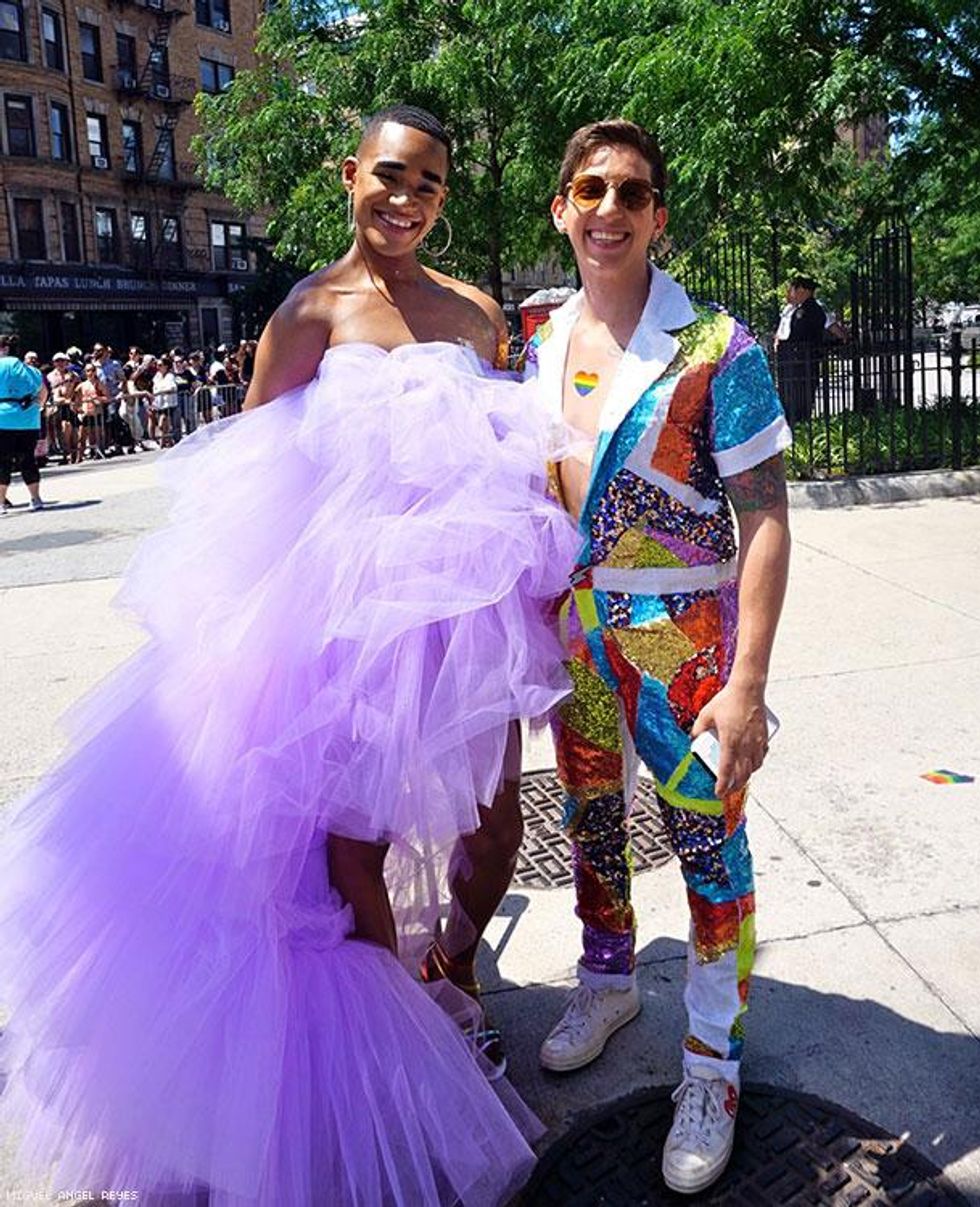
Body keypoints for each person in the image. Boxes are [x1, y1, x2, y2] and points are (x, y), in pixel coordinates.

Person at [0, 105, 577, 1205]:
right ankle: (384, 1057)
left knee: (493, 823)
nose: (407, 201)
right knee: (352, 859)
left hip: (459, 632)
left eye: (430, 186)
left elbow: (503, 474)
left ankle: (446, 985)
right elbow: (246, 487)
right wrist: (234, 640)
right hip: (340, 638)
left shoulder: (475, 314)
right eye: (391, 177)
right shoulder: (309, 311)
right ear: (350, 174)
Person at [526, 120, 792, 1195]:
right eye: (588, 188)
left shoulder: (716, 348)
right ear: (561, 207)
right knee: (589, 817)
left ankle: (711, 1058)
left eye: (630, 192)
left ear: (657, 216)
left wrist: (746, 686)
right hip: (578, 634)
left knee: (704, 841)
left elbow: (765, 518)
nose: (608, 208)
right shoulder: (536, 339)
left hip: (677, 639)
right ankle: (606, 975)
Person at [0, 331, 46, 513]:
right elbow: (43, 393)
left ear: (3, 348)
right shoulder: (31, 370)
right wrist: (37, 407)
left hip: (3, 418)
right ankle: (35, 498)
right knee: (28, 459)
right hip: (28, 420)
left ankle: (1, 502)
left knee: (2, 461)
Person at [773, 275, 826, 423]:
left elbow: (799, 337)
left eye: (791, 290)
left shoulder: (805, 311)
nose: (789, 294)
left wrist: (783, 346)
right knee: (802, 398)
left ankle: (797, 424)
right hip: (805, 361)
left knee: (796, 399)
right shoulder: (812, 309)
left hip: (800, 363)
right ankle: (800, 423)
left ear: (801, 290)